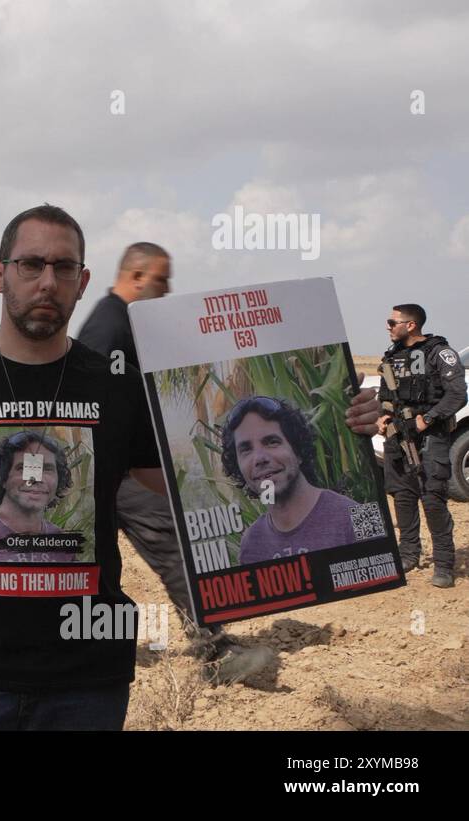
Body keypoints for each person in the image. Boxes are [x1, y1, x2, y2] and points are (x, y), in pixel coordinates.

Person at [0, 205, 383, 730]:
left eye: (63, 267)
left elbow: (194, 485)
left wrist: (338, 433)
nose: (46, 281)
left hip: (87, 685)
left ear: (82, 281)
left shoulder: (116, 388)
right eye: (31, 264)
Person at [79, 242, 274, 683]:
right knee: (176, 550)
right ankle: (216, 655)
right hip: (118, 471)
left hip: (115, 469)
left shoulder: (121, 321)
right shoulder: (109, 324)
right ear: (136, 277)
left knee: (95, 566)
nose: (167, 289)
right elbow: (88, 395)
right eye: (161, 280)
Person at [377, 303, 466, 587]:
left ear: (411, 325)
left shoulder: (439, 353)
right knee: (402, 496)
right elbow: (385, 396)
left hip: (430, 437)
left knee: (432, 499)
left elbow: (457, 395)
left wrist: (426, 419)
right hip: (398, 436)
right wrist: (384, 416)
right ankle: (408, 554)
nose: (388, 327)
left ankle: (444, 565)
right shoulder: (392, 356)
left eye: (392, 322)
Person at [220, 396, 362, 564]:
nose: (259, 458)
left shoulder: (360, 515)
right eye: (246, 450)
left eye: (271, 442)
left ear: (298, 450)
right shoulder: (250, 544)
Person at [0, 430, 74, 563]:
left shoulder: (62, 542)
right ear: (3, 477)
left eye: (47, 469)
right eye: (23, 468)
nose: (35, 479)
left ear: (59, 480)